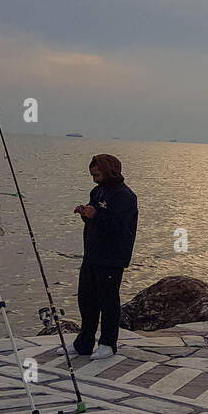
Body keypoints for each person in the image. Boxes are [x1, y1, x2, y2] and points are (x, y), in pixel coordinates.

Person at [72, 154, 137, 359]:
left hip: (112, 258)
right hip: (91, 256)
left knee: (108, 301)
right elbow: (96, 221)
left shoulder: (125, 196)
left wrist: (96, 215)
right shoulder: (97, 191)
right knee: (86, 300)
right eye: (92, 175)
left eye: (97, 174)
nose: (94, 178)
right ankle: (84, 342)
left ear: (108, 171)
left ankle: (108, 343)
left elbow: (121, 228)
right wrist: (86, 214)